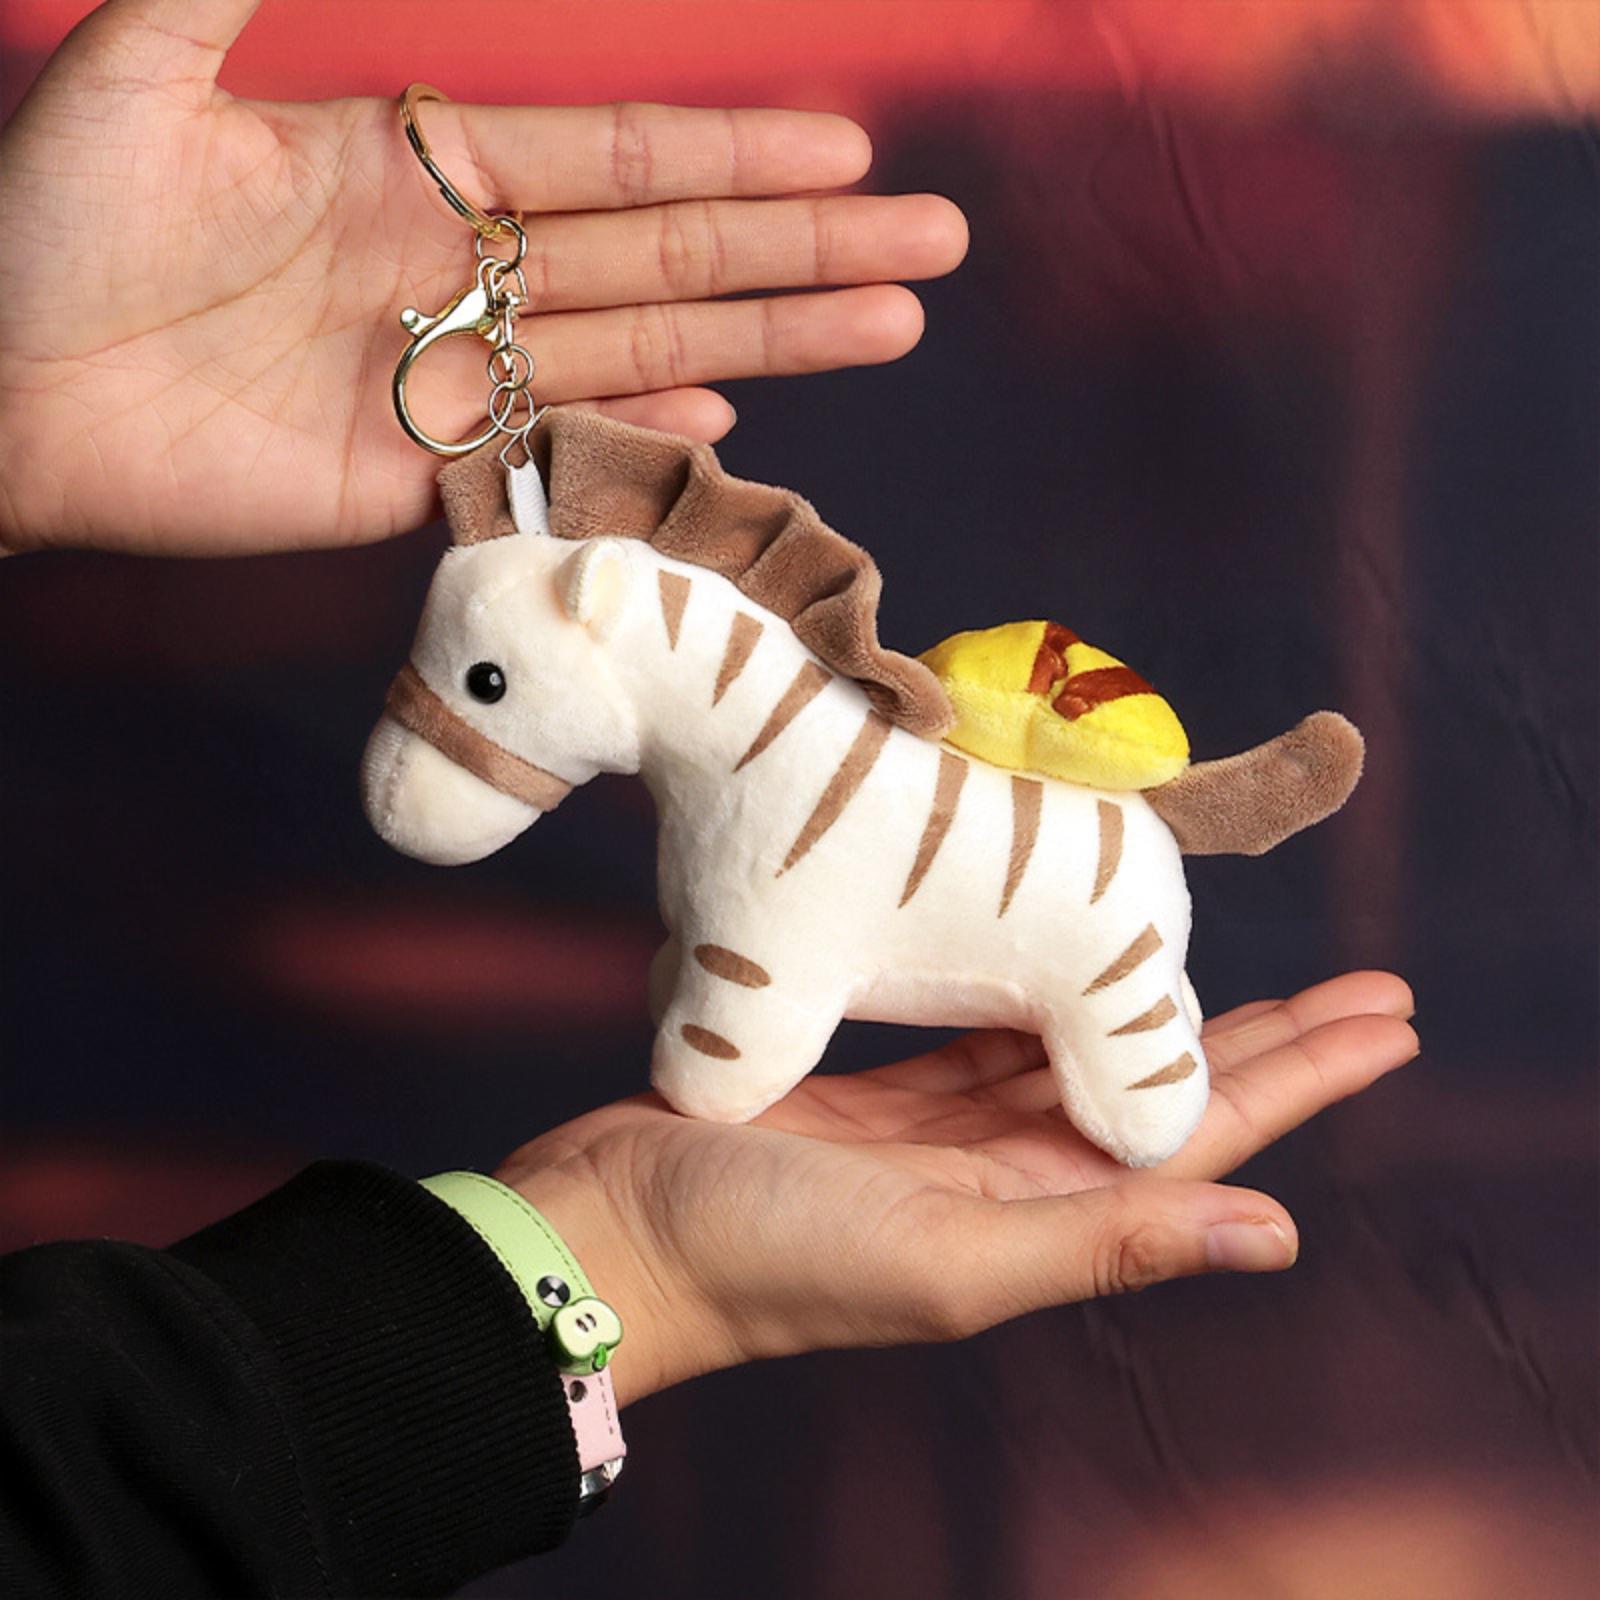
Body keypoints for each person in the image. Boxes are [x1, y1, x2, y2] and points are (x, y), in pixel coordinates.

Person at [0, 3, 1420, 1596]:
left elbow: (751, 984)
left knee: (998, 994)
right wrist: (628, 1263)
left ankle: (1127, 1027)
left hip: (1089, 889)